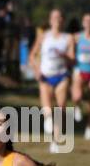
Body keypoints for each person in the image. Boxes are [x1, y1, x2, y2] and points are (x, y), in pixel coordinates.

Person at [28, 9, 74, 152]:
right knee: (47, 109)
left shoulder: (68, 38)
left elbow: (72, 60)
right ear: (50, 20)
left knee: (60, 109)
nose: (57, 20)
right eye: (54, 17)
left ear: (63, 20)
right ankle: (49, 124)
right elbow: (32, 56)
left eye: (60, 17)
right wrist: (36, 71)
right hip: (45, 76)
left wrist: (64, 55)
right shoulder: (43, 36)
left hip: (61, 76)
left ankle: (55, 141)